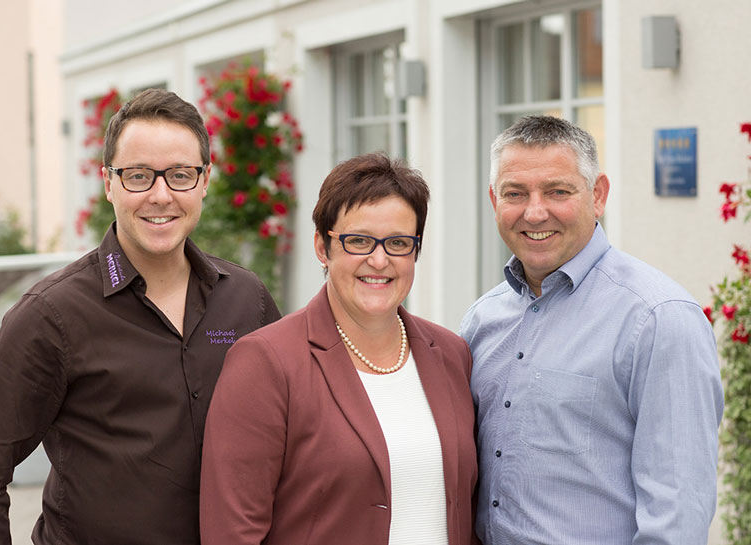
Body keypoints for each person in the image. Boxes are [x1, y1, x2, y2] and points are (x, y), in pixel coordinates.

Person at [0, 88, 280, 544]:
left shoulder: (248, 300)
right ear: (108, 183)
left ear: (205, 181)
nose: (161, 195)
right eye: (139, 176)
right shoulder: (51, 316)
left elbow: (289, 447)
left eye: (180, 175)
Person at [460, 115, 724, 544]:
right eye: (515, 193)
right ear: (494, 201)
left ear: (597, 195)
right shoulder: (481, 320)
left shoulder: (658, 318)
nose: (534, 211)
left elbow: (678, 513)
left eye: (557, 191)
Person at [200, 152, 480, 545]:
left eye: (398, 242)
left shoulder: (452, 354)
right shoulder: (266, 363)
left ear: (415, 251)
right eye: (359, 241)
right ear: (322, 246)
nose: (379, 260)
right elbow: (233, 533)